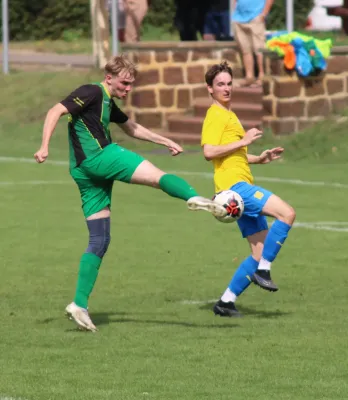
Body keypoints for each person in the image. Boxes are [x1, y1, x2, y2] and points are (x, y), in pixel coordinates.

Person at [34, 55, 227, 332]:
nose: (128, 89)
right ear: (109, 77)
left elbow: (131, 127)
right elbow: (55, 111)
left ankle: (78, 304)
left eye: (131, 84)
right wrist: (44, 146)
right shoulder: (91, 91)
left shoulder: (108, 103)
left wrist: (165, 140)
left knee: (99, 240)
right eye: (124, 83)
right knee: (156, 176)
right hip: (99, 156)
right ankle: (194, 197)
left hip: (82, 171)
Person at [200, 61, 296, 317]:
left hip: (239, 191)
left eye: (229, 83)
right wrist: (243, 140)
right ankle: (264, 270)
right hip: (236, 189)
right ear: (209, 88)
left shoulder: (229, 114)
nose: (226, 88)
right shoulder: (216, 115)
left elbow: (234, 155)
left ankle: (226, 302)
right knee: (287, 214)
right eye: (220, 84)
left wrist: (258, 158)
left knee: (259, 251)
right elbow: (209, 152)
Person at [232, 0, 274, 87]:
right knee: (245, 49)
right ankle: (249, 77)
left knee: (259, 48)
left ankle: (262, 76)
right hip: (239, 18)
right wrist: (234, 11)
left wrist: (263, 14)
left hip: (256, 16)